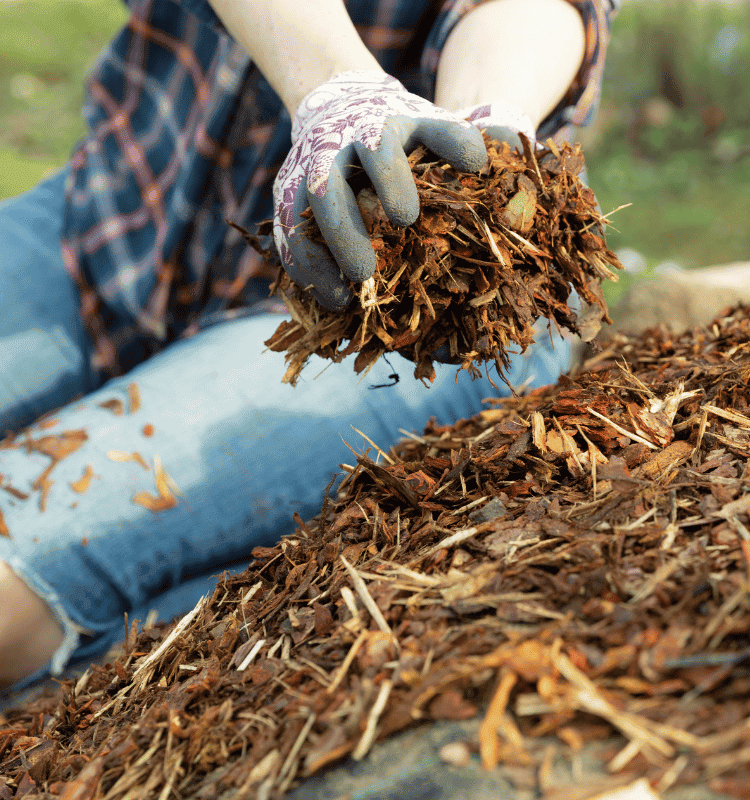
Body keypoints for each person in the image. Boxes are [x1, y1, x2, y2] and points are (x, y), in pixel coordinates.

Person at [0, 0, 619, 695]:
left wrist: (482, 131)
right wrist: (338, 88)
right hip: (124, 208)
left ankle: (208, 614)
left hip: (377, 314)